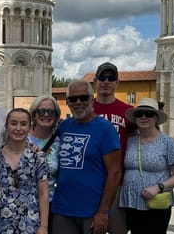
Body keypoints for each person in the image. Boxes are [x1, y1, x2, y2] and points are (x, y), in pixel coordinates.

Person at [51, 80, 122, 234]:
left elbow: (115, 173)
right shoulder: (64, 126)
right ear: (68, 102)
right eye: (73, 99)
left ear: (91, 99)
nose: (78, 102)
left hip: (92, 211)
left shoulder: (105, 129)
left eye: (83, 98)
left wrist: (103, 212)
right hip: (63, 209)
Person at [119, 98, 174, 233]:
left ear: (156, 118)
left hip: (156, 202)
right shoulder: (129, 141)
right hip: (131, 202)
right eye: (139, 114)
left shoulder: (168, 143)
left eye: (148, 114)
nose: (143, 117)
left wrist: (158, 187)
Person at [92, 62, 134, 234]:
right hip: (92, 183)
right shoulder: (86, 109)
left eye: (111, 78)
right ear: (95, 81)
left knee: (118, 229)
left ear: (117, 83)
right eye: (102, 78)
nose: (106, 82)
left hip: (118, 183)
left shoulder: (128, 112)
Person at [0, 108, 49, 233]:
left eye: (23, 124)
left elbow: (43, 194)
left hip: (30, 222)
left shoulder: (38, 157)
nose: (18, 128)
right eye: (13, 123)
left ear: (30, 127)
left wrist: (44, 227)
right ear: (6, 126)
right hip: (1, 222)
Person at [28, 94, 61, 233]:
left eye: (51, 112)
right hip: (26, 204)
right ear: (34, 115)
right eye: (41, 111)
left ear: (56, 116)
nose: (46, 115)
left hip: (51, 204)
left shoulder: (59, 142)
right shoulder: (21, 137)